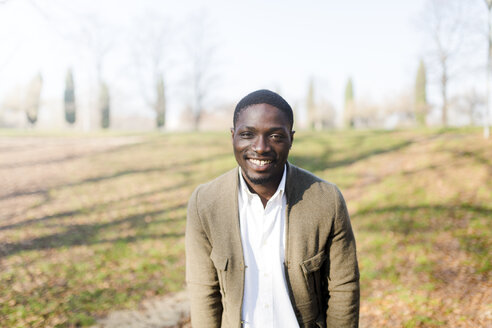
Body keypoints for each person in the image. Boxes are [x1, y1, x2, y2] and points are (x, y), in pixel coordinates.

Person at [186, 89, 360, 328]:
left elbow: (344, 287)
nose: (260, 147)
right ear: (233, 136)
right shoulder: (204, 203)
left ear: (291, 138)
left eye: (276, 136)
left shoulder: (327, 200)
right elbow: (203, 291)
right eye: (247, 134)